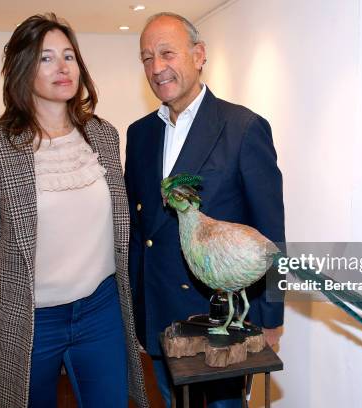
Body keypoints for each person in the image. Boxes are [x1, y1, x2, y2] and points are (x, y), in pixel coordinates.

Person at [0, 13, 148, 408]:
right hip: (29, 318)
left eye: (69, 56)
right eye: (46, 58)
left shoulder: (102, 134)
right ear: (23, 70)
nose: (63, 67)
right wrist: (15, 281)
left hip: (100, 308)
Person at [125, 12, 285, 407]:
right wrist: (134, 308)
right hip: (161, 314)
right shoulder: (139, 133)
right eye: (147, 58)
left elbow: (270, 231)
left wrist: (271, 319)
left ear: (198, 55)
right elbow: (136, 228)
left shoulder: (243, 128)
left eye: (167, 53)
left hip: (220, 319)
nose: (156, 67)